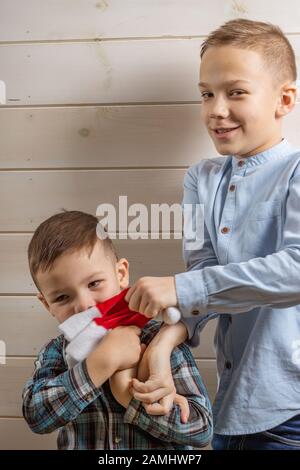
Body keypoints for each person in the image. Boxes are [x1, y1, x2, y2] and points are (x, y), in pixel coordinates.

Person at [125, 19, 300, 450]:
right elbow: (203, 280)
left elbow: (296, 270)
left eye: (235, 92)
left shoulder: (296, 172)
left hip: (290, 409)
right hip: (227, 403)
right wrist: (162, 351)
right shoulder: (201, 178)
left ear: (284, 98)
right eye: (206, 93)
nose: (216, 109)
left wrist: (182, 288)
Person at [22, 210, 213, 450]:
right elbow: (36, 416)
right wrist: (99, 365)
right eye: (62, 297)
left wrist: (131, 399)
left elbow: (201, 430)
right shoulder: (56, 352)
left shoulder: (161, 341)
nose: (84, 305)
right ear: (46, 304)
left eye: (94, 284)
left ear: (121, 274)